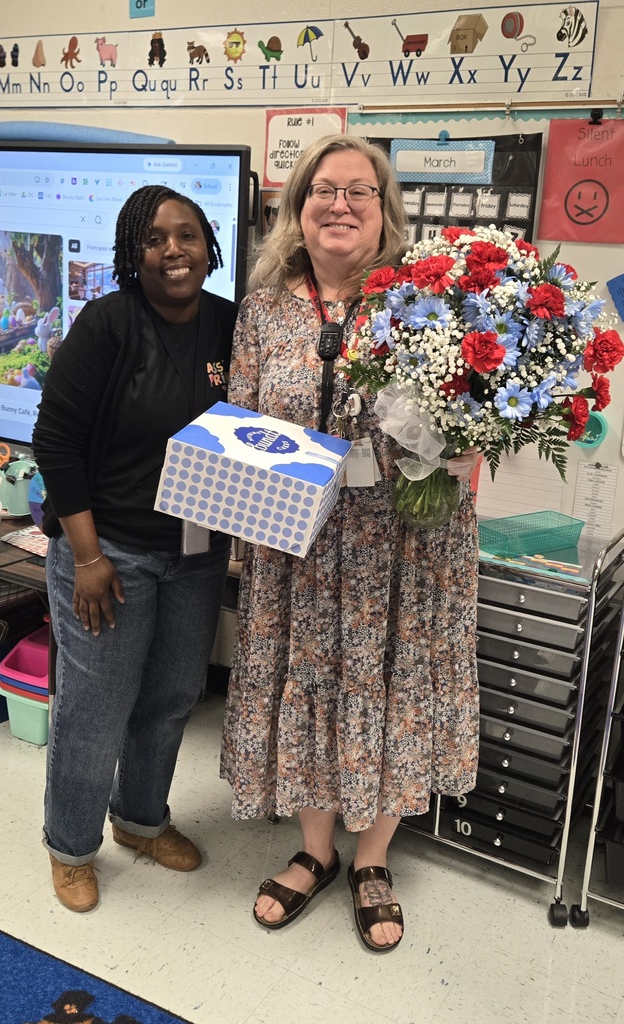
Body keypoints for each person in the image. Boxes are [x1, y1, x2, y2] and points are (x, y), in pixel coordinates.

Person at [220, 135, 479, 952]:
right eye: (321, 190)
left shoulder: (424, 301)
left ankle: (374, 862)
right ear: (297, 208)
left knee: (393, 689)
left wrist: (475, 442)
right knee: (308, 685)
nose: (339, 205)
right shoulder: (264, 309)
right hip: (298, 547)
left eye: (358, 192)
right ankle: (316, 852)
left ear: (384, 209)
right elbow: (241, 423)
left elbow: (467, 424)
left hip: (402, 552)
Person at [33, 184, 238, 913]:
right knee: (96, 705)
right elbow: (54, 442)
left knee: (173, 695)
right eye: (155, 239)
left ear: (209, 246)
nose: (173, 250)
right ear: (133, 253)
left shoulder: (229, 324)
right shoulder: (108, 324)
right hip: (110, 553)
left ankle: (141, 821)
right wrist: (87, 559)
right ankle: (71, 846)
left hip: (196, 551)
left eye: (187, 235)